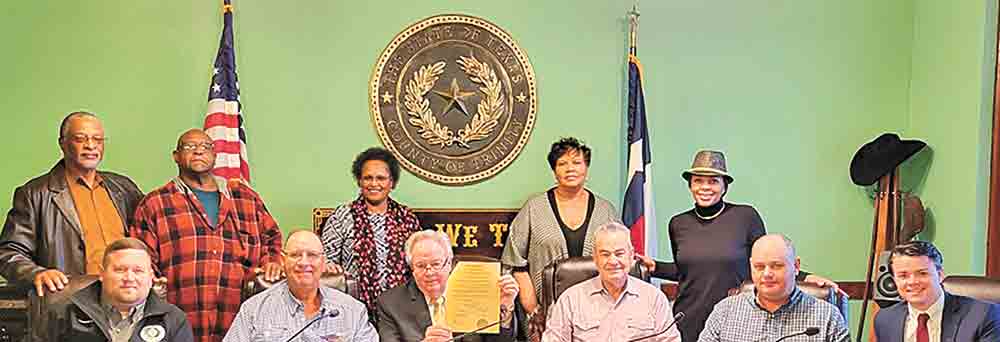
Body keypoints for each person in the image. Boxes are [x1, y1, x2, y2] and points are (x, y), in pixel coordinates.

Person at [639, 150, 839, 342]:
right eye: (698, 181)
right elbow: (689, 270)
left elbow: (765, 260)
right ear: (690, 185)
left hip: (737, 318)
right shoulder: (678, 223)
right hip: (690, 319)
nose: (705, 187)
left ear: (725, 186)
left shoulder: (745, 217)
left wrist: (804, 276)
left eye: (713, 181)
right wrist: (656, 267)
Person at [129, 129, 283, 342]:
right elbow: (140, 258)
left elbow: (272, 238)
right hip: (181, 319)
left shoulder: (246, 198)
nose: (198, 152)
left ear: (215, 156)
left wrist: (272, 262)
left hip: (239, 318)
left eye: (205, 147)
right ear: (176, 156)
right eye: (190, 147)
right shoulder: (156, 203)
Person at [0, 111, 144, 296]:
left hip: (125, 299)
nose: (90, 146)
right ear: (63, 143)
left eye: (97, 139)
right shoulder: (34, 194)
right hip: (68, 300)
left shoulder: (124, 189)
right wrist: (37, 273)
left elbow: (146, 240)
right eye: (80, 139)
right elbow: (8, 253)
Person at [500, 137, 622, 337]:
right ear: (554, 170)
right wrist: (533, 311)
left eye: (577, 162)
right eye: (562, 163)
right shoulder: (534, 208)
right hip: (545, 316)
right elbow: (516, 264)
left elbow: (620, 260)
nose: (570, 169)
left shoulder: (605, 210)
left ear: (586, 167)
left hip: (599, 315)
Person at [320, 147, 421, 321]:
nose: (374, 184)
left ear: (392, 183)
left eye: (381, 178)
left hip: (400, 313)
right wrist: (328, 267)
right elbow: (323, 260)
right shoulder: (342, 216)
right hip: (351, 310)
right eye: (368, 178)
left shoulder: (407, 218)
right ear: (359, 181)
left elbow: (417, 263)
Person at [224, 230, 377, 342]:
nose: (304, 263)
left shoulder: (353, 311)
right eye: (296, 255)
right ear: (283, 261)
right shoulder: (254, 309)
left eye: (312, 255)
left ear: (323, 263)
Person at [542, 222, 680, 342]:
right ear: (595, 258)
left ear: (631, 256)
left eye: (619, 253)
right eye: (605, 254)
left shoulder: (654, 299)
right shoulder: (570, 299)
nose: (613, 261)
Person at [698, 234, 849, 342]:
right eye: (759, 267)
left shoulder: (828, 317)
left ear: (796, 266)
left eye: (776, 266)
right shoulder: (725, 311)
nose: (767, 274)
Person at [376, 230, 519, 342]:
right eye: (420, 266)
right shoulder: (390, 304)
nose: (429, 272)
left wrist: (505, 308)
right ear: (411, 269)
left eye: (436, 264)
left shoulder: (476, 292)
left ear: (449, 263)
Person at [41, 238, 193, 342]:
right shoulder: (64, 313)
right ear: (102, 274)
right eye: (120, 270)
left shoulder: (174, 320)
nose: (129, 277)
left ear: (151, 276)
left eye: (138, 270)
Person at [874, 241, 1000, 342]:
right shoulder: (885, 320)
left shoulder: (983, 315)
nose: (912, 281)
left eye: (922, 273)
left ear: (940, 275)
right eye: (903, 276)